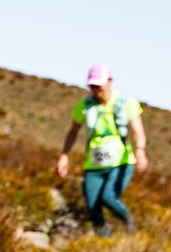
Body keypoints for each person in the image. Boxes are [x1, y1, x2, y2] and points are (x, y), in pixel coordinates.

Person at [57, 63, 149, 236]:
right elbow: (72, 132)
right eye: (92, 85)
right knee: (92, 205)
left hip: (120, 163)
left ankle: (131, 226)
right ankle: (105, 240)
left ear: (109, 81)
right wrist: (64, 155)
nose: (96, 89)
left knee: (109, 197)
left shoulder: (126, 103)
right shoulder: (84, 106)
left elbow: (138, 130)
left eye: (99, 85)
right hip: (94, 165)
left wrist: (140, 150)